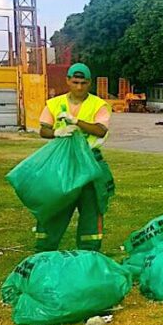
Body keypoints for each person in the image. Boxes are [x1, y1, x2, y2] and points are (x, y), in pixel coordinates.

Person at [35, 62, 113, 252]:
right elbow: (43, 129)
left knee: (91, 210)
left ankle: (89, 253)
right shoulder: (54, 104)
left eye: (83, 83)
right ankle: (45, 252)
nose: (79, 87)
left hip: (89, 163)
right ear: (68, 81)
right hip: (62, 164)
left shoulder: (98, 105)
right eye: (75, 82)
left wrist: (77, 122)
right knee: (54, 207)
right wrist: (57, 132)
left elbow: (100, 130)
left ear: (90, 83)